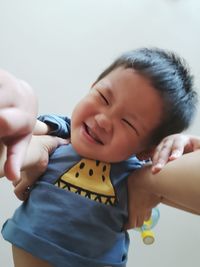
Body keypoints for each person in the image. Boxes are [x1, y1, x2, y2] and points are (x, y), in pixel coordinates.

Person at [0, 47, 198, 267]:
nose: (104, 120)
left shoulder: (139, 170)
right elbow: (27, 131)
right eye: (103, 97)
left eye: (128, 123)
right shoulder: (61, 132)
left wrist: (179, 143)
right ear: (93, 87)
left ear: (147, 150)